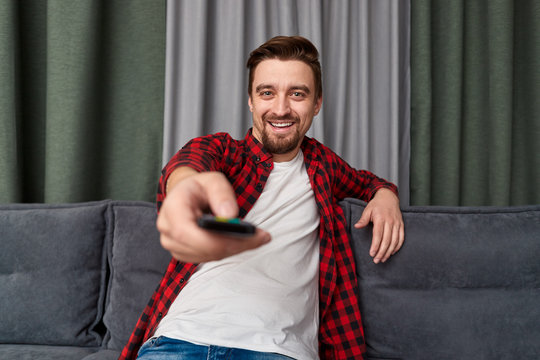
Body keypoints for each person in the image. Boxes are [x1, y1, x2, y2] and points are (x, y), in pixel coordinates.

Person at [120, 35, 404, 360]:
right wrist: (183, 189)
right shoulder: (225, 151)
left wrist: (385, 194)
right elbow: (190, 163)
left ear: (317, 103)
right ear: (251, 101)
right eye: (267, 93)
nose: (281, 108)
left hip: (276, 350)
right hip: (178, 340)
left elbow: (369, 182)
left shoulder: (325, 167)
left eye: (297, 94)